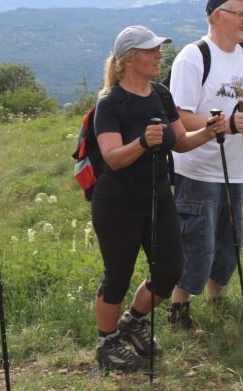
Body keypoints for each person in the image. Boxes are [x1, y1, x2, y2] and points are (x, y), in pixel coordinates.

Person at [92, 25, 226, 371]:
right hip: (117, 201)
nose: (158, 55)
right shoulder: (110, 103)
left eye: (158, 49)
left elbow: (179, 142)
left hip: (159, 195)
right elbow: (112, 158)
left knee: (170, 270)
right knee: (117, 275)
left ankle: (133, 321)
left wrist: (208, 131)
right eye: (151, 50)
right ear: (129, 59)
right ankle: (106, 343)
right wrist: (141, 142)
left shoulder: (161, 94)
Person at [166, 0, 243, 328]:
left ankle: (218, 301)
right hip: (199, 169)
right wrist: (223, 124)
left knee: (230, 244)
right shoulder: (193, 57)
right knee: (197, 242)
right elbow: (180, 117)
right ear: (217, 16)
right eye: (241, 14)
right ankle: (178, 309)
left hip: (239, 169)